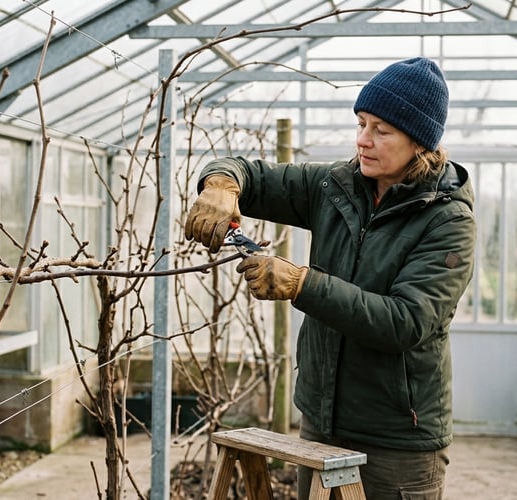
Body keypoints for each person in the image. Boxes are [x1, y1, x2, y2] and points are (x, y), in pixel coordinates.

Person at [184, 57, 476, 499]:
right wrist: (221, 184)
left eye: (382, 130)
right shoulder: (336, 186)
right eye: (361, 123)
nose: (363, 140)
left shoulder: (447, 220)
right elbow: (252, 174)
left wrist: (303, 284)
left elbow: (406, 322)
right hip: (321, 425)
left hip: (395, 440)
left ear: (420, 141)